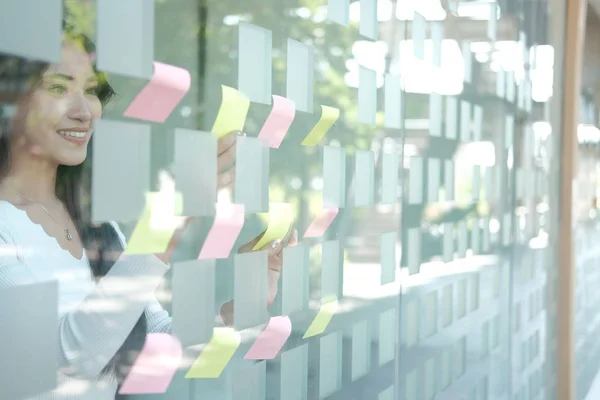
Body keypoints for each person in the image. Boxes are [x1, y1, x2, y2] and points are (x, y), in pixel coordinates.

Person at [0, 29, 295, 399]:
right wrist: (163, 228)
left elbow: (156, 349)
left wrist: (248, 299)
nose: (84, 111)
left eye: (91, 90)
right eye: (58, 88)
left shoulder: (99, 228)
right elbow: (59, 362)